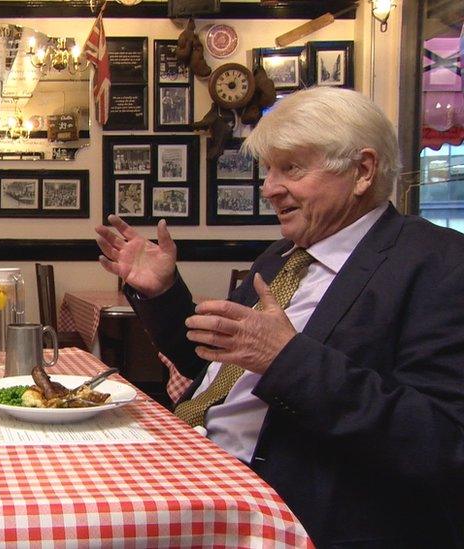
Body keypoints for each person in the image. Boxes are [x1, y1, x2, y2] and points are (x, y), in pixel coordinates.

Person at [95, 86, 464, 547]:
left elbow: (441, 443)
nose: (269, 188)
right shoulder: (279, 258)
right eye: (268, 170)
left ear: (363, 171)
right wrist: (164, 294)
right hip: (190, 466)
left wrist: (285, 358)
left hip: (283, 512)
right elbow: (216, 370)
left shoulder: (440, 264)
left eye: (291, 167)